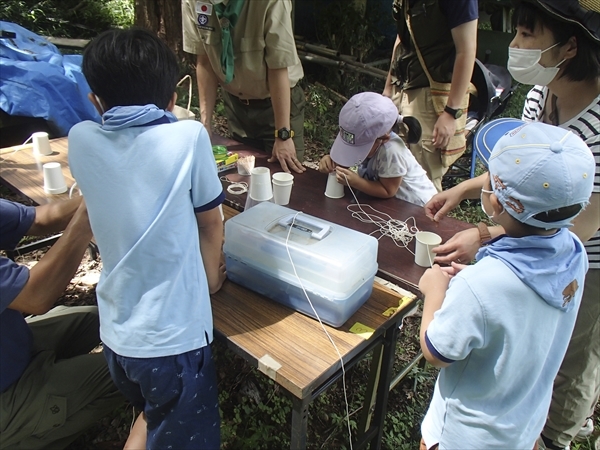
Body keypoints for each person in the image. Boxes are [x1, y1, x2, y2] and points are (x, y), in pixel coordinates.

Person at [424, 2, 600, 448]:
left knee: (569, 355)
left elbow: (578, 225)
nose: (515, 46)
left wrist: (483, 235)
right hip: (547, 237)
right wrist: (466, 189)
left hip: (584, 253)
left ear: (569, 47)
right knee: (527, 351)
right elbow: (523, 166)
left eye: (526, 36)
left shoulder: (597, 126)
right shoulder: (543, 90)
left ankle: (555, 437)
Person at [68, 28, 226, 449]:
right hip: (173, 343)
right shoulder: (189, 136)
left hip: (118, 338)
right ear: (174, 99)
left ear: (95, 100)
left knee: (155, 414)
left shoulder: (80, 141)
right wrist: (211, 280)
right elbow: (211, 223)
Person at [418, 120, 595, 450]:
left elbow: (437, 351)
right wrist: (477, 291)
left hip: (462, 438)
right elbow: (515, 309)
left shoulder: (480, 285)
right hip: (522, 430)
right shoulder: (575, 253)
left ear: (495, 204)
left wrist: (435, 291)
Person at [0, 197, 123, 449]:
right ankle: (33, 437)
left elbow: (38, 218)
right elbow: (36, 296)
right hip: (6, 389)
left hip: (13, 342)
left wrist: (99, 188)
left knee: (96, 319)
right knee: (133, 369)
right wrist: (89, 216)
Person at [181, 0, 306, 174]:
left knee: (284, 178)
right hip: (236, 106)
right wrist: (205, 124)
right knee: (243, 176)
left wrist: (283, 135)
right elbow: (205, 61)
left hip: (277, 104)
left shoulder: (272, 2)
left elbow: (278, 67)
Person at [383, 0, 478, 192]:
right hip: (401, 87)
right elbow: (403, 37)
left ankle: (420, 223)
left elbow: (466, 50)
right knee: (390, 166)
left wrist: (451, 112)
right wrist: (388, 88)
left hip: (432, 94)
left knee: (423, 179)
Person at [318, 92, 436, 206]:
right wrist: (331, 162)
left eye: (359, 148)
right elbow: (342, 164)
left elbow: (388, 191)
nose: (354, 152)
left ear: (383, 138)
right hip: (389, 205)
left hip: (417, 208)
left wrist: (356, 182)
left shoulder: (391, 151)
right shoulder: (361, 135)